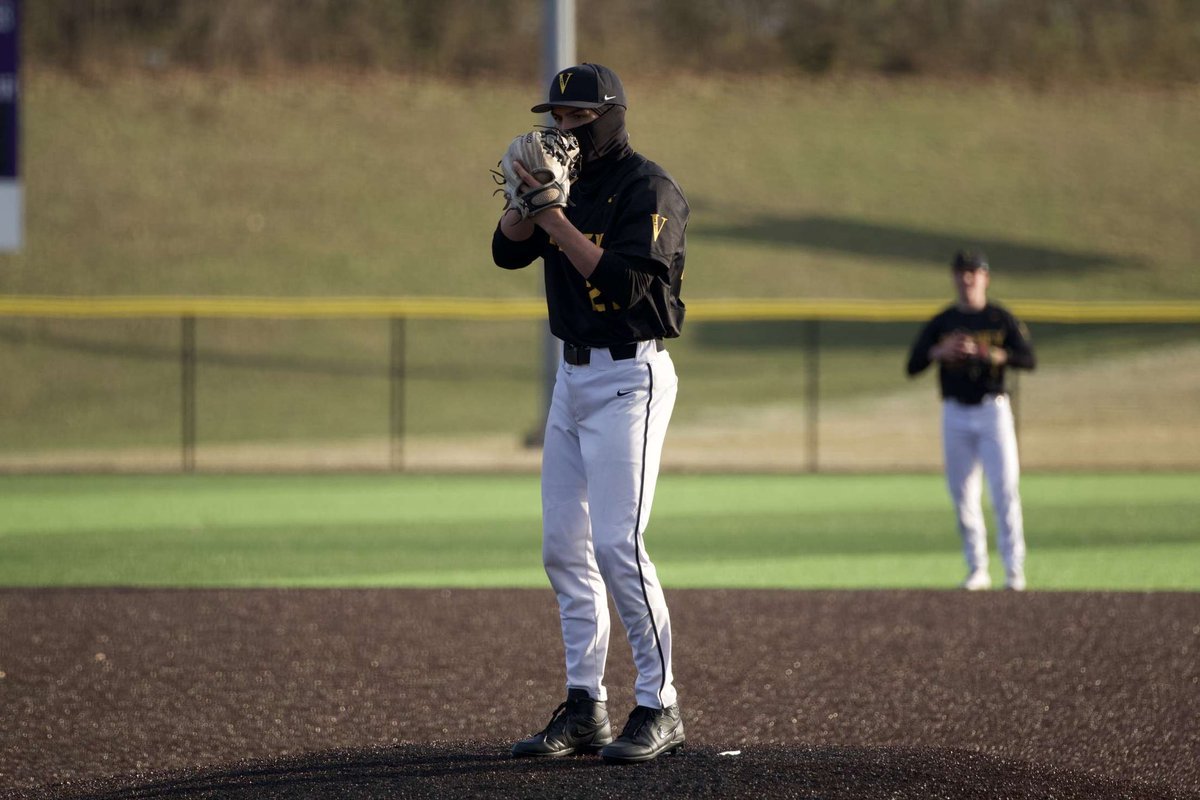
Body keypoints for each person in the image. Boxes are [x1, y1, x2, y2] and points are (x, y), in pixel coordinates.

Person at [491, 63, 689, 763]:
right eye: (556, 116)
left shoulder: (648, 188)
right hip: (571, 380)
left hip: (630, 377)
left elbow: (631, 284)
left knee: (616, 547)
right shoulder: (561, 183)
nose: (561, 129)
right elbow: (503, 254)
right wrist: (523, 207)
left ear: (608, 117)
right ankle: (585, 706)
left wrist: (553, 216)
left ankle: (660, 704)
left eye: (575, 117)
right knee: (562, 548)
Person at [905, 249, 1036, 591]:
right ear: (954, 278)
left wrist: (990, 353)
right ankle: (977, 567)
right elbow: (912, 365)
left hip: (993, 409)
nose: (967, 279)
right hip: (955, 411)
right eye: (961, 273)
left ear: (985, 278)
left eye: (973, 273)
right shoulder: (943, 322)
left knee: (1005, 487)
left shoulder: (999, 319)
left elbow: (1028, 359)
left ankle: (1013, 570)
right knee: (962, 493)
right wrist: (939, 352)